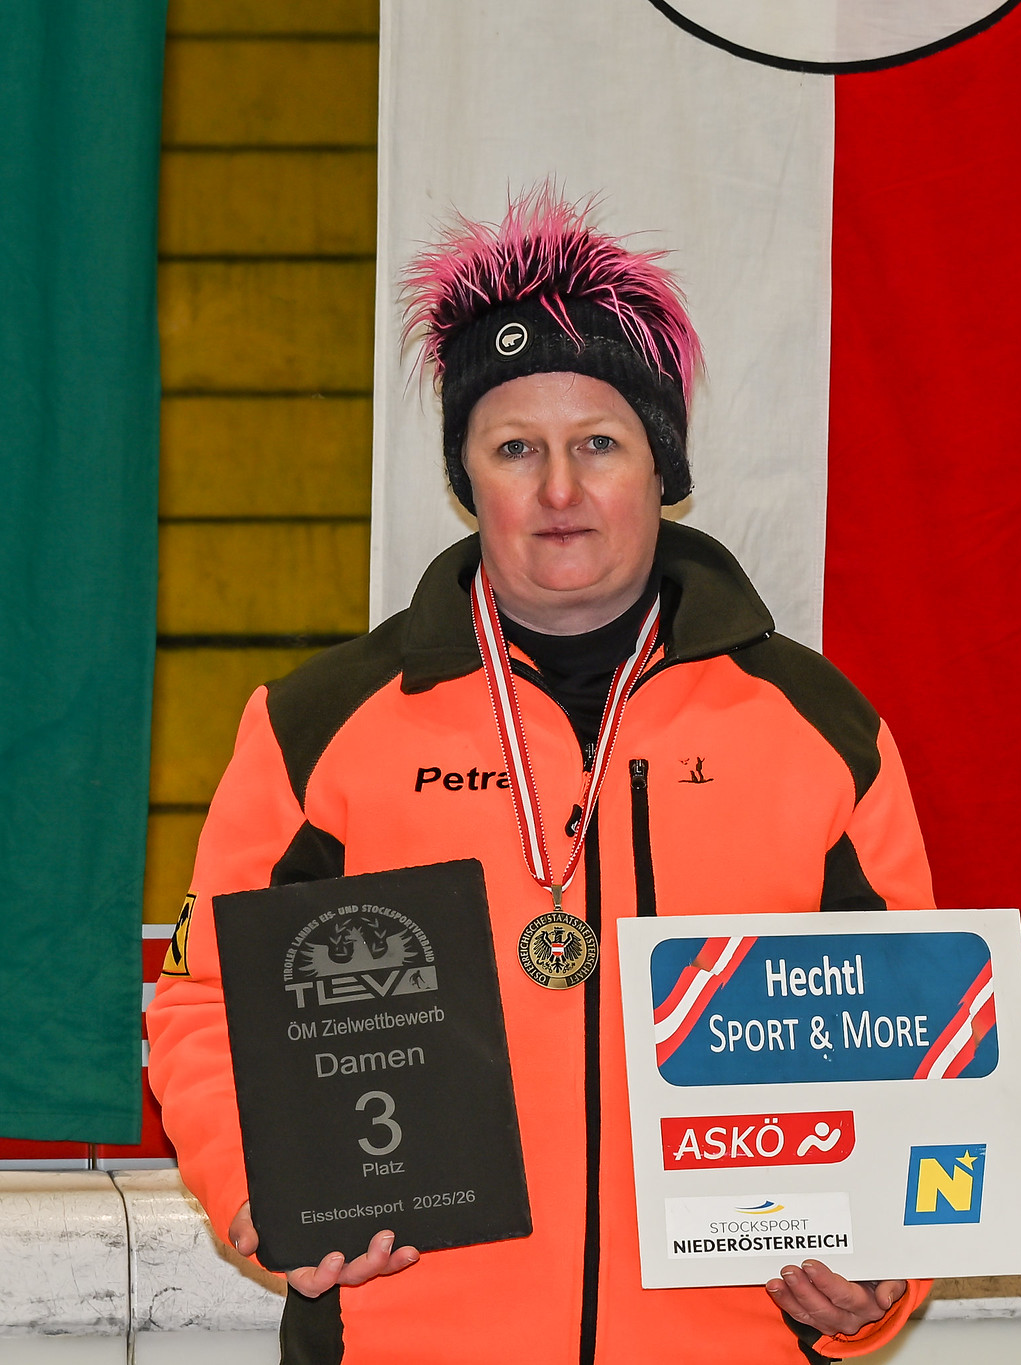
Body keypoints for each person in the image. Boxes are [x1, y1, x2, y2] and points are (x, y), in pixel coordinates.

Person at [147, 188, 938, 1365]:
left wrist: (878, 1274)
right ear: (467, 478)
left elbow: (905, 1042)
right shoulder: (321, 725)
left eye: (597, 445)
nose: (558, 491)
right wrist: (260, 1192)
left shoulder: (815, 726)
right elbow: (205, 1004)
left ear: (659, 468)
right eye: (514, 448)